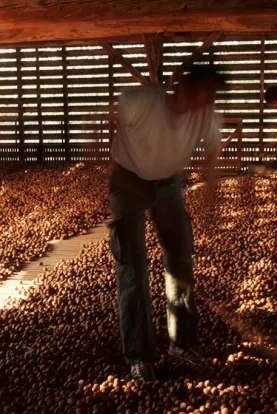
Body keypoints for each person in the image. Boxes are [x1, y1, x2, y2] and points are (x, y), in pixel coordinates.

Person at [109, 65, 224, 381]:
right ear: (184, 89)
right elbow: (106, 116)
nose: (208, 104)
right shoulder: (144, 102)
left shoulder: (205, 114)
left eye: (211, 98)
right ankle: (139, 355)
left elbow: (212, 152)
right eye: (203, 95)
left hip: (168, 183)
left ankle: (182, 342)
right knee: (133, 267)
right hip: (128, 179)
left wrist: (211, 200)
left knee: (180, 259)